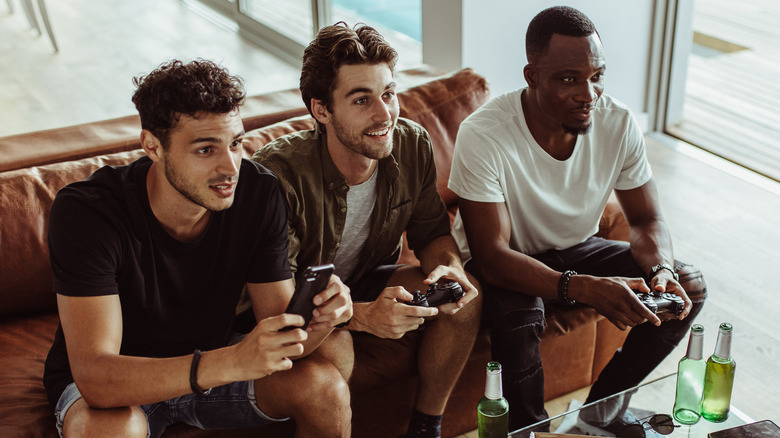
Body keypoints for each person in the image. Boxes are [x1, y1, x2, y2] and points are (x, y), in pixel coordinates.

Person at [42, 59, 353, 438]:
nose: (230, 167)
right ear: (152, 147)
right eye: (206, 150)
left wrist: (319, 320)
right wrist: (231, 362)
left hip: (213, 362)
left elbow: (281, 334)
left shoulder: (258, 193)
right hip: (122, 384)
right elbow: (96, 376)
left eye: (236, 143)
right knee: (111, 429)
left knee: (325, 388)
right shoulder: (87, 212)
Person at [448, 6, 706, 433]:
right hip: (504, 261)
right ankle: (530, 430)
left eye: (597, 76)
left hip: (576, 248)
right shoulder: (485, 133)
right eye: (569, 79)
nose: (588, 93)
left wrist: (660, 269)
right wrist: (581, 286)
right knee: (521, 318)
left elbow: (645, 218)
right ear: (531, 76)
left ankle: (599, 414)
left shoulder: (618, 121)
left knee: (688, 289)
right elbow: (492, 255)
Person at [252, 23, 481, 438]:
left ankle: (426, 428)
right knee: (337, 346)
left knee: (465, 300)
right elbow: (279, 306)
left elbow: (431, 234)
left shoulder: (412, 144)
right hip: (291, 303)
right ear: (321, 110)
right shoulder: (277, 175)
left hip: (362, 279)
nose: (385, 114)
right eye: (362, 100)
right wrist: (363, 318)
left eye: (389, 94)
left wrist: (448, 269)